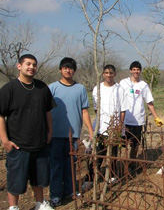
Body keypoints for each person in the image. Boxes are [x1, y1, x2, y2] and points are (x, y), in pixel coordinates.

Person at [0, 54, 54, 210]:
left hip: (40, 142)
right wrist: (5, 140)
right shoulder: (9, 89)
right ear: (19, 66)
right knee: (16, 179)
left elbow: (48, 112)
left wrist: (50, 132)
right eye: (28, 64)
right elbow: (1, 115)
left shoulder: (42, 87)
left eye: (34, 65)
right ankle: (13, 207)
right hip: (18, 144)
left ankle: (40, 203)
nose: (31, 67)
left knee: (40, 177)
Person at [48, 57, 93, 207]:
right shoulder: (52, 88)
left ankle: (70, 190)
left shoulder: (80, 89)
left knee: (71, 165)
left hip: (72, 136)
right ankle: (55, 195)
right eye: (65, 67)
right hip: (54, 134)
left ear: (74, 70)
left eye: (71, 68)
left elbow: (84, 111)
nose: (68, 70)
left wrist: (90, 130)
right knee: (55, 166)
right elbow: (45, 111)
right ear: (60, 69)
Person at [120, 61, 164, 170]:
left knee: (135, 145)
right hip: (124, 120)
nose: (136, 71)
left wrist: (156, 117)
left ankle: (131, 164)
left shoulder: (143, 85)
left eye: (138, 69)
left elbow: (149, 102)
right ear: (130, 70)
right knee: (120, 144)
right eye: (134, 69)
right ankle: (119, 165)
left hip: (138, 121)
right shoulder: (123, 83)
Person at [89, 64, 128, 182]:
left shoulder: (120, 89)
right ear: (103, 74)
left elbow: (123, 109)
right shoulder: (98, 88)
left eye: (111, 73)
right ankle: (89, 178)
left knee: (113, 155)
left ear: (115, 74)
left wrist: (119, 125)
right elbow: (96, 108)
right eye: (106, 73)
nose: (109, 75)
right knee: (98, 153)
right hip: (101, 127)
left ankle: (111, 176)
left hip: (115, 128)